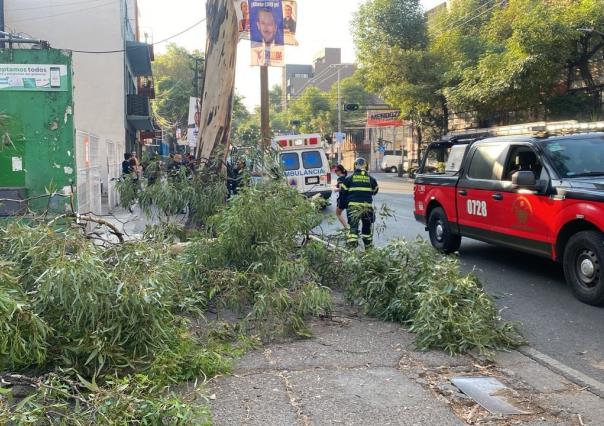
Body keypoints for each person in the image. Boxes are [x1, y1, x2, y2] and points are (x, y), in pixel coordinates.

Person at [340, 158, 379, 249]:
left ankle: (351, 250)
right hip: (367, 208)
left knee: (353, 228)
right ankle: (368, 250)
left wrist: (343, 206)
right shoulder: (371, 180)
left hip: (353, 208)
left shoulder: (349, 179)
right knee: (366, 229)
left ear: (355, 166)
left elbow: (343, 193)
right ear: (367, 167)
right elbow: (375, 191)